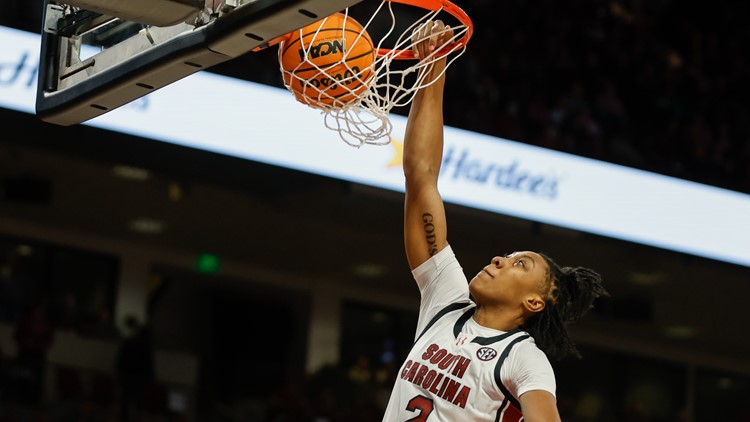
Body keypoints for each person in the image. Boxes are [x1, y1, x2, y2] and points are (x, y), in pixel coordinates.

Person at [381, 21, 609, 422]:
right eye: (508, 255)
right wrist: (433, 68)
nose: (500, 260)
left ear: (534, 302)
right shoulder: (446, 302)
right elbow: (420, 176)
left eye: (521, 263)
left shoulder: (524, 358)